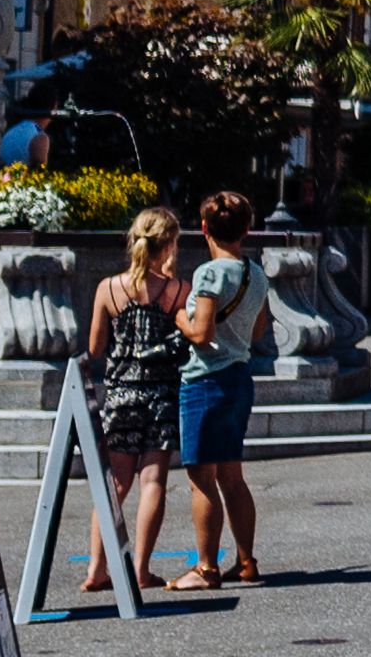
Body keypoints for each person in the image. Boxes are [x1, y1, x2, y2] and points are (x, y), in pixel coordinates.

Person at [76, 209, 199, 597]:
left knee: (114, 484)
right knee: (152, 482)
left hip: (121, 394)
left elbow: (95, 349)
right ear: (170, 243)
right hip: (161, 394)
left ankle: (97, 568)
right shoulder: (178, 289)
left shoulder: (108, 288)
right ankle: (141, 570)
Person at [172, 192, 267, 585]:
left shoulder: (210, 273)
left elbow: (201, 331)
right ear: (246, 229)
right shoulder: (255, 273)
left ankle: (206, 567)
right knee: (233, 476)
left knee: (201, 477)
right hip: (239, 378)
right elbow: (260, 329)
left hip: (205, 379)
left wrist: (179, 315)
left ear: (205, 228)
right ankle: (247, 562)